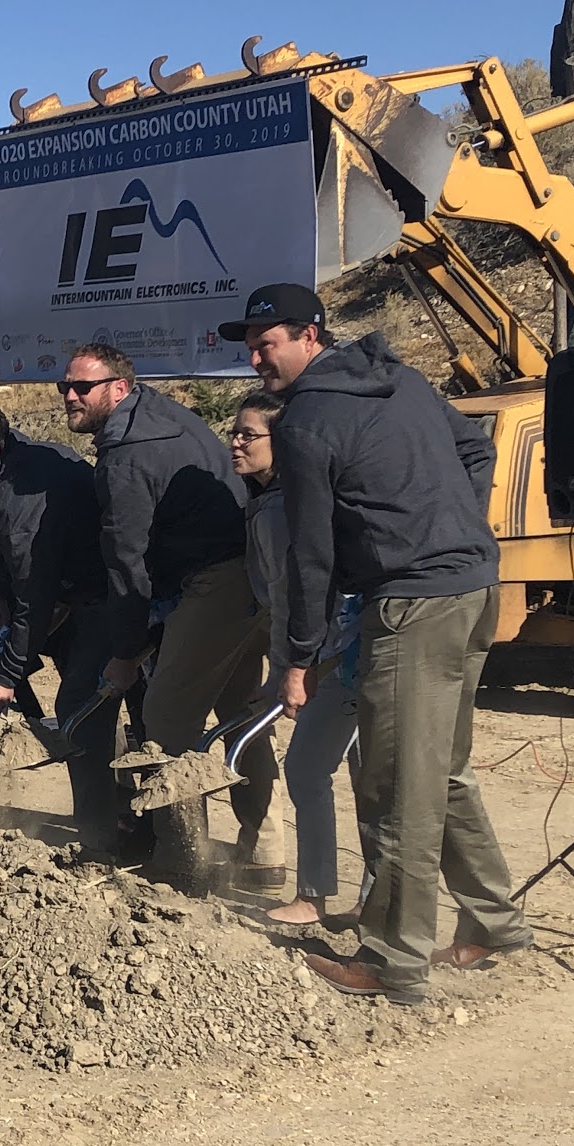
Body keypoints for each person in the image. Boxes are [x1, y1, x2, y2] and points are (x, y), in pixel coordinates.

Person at [222, 282, 530, 1003]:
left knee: (395, 788)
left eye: (267, 344)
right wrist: (457, 530)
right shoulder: (402, 379)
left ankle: (391, 960)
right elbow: (474, 454)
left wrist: (298, 658)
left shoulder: (306, 423)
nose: (257, 358)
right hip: (474, 589)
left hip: (414, 604)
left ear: (309, 335)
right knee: (443, 774)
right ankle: (494, 921)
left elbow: (312, 555)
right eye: (251, 346)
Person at [63, 342, 283, 891]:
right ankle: (264, 849)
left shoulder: (127, 455)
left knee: (166, 717)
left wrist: (125, 651)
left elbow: (126, 562)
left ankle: (183, 857)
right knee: (239, 711)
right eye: (64, 386)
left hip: (215, 583)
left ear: (117, 387)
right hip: (248, 572)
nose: (68, 396)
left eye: (81, 387)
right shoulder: (166, 416)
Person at [0, 401, 116, 818]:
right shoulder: (10, 471)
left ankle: (102, 829)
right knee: (84, 704)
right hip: (64, 588)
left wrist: (9, 674)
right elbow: (20, 565)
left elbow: (33, 595)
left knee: (80, 707)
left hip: (98, 595)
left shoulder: (18, 500)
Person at [230, 391, 366, 924]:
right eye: (235, 433)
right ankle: (335, 896)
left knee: (336, 773)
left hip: (342, 652)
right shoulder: (263, 500)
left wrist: (292, 667)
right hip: (320, 651)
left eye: (249, 435)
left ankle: (327, 898)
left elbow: (297, 594)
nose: (236, 443)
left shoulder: (290, 507)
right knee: (326, 772)